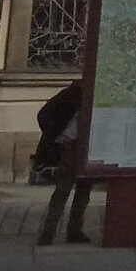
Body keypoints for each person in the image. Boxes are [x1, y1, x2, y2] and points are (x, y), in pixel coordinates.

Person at [33, 81, 92, 246]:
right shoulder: (71, 94)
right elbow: (43, 115)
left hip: (86, 147)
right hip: (69, 147)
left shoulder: (89, 94)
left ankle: (74, 230)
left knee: (83, 190)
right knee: (63, 190)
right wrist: (54, 134)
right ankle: (49, 232)